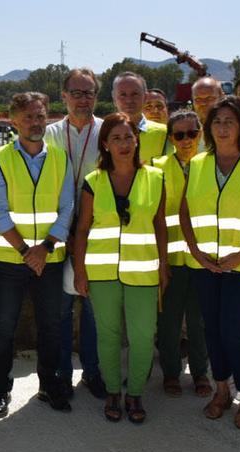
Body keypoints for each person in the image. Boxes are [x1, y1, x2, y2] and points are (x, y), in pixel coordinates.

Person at [180, 96, 240, 430]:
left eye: (229, 122)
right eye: (217, 121)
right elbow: (184, 211)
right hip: (205, 264)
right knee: (212, 329)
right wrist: (194, 250)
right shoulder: (197, 164)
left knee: (234, 331)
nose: (222, 127)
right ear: (209, 128)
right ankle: (221, 391)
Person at [72, 112, 167, 424]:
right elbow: (82, 230)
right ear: (106, 144)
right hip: (102, 274)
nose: (124, 143)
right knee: (108, 335)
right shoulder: (93, 182)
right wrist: (81, 272)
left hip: (143, 271)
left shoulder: (155, 178)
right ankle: (113, 390)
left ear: (137, 140)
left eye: (128, 137)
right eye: (116, 138)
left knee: (142, 336)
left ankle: (135, 392)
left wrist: (163, 268)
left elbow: (160, 226)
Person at [0, 92, 73, 417]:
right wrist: (27, 251)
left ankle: (48, 385)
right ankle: (1, 389)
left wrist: (46, 248)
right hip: (11, 260)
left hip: (49, 259)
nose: (36, 123)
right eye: (28, 118)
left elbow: (67, 207)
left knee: (51, 325)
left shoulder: (61, 158)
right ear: (14, 121)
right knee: (3, 327)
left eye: (40, 116)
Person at [43, 67, 105, 399]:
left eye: (89, 93)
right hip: (56, 232)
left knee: (94, 310)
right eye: (76, 93)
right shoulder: (49, 134)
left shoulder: (108, 131)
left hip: (96, 234)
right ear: (63, 96)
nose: (83, 100)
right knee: (60, 309)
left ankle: (92, 371)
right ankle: (62, 374)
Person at [151, 110, 211, 398]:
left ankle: (201, 373)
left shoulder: (211, 164)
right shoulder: (158, 167)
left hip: (203, 259)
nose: (186, 140)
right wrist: (161, 263)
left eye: (191, 133)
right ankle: (171, 373)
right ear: (171, 138)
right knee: (169, 321)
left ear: (200, 134)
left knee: (199, 321)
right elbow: (158, 218)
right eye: (179, 134)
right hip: (172, 259)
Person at [111, 71, 168, 163]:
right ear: (114, 99)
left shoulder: (164, 133)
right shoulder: (102, 133)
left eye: (135, 94)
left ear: (145, 97)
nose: (129, 100)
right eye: (123, 95)